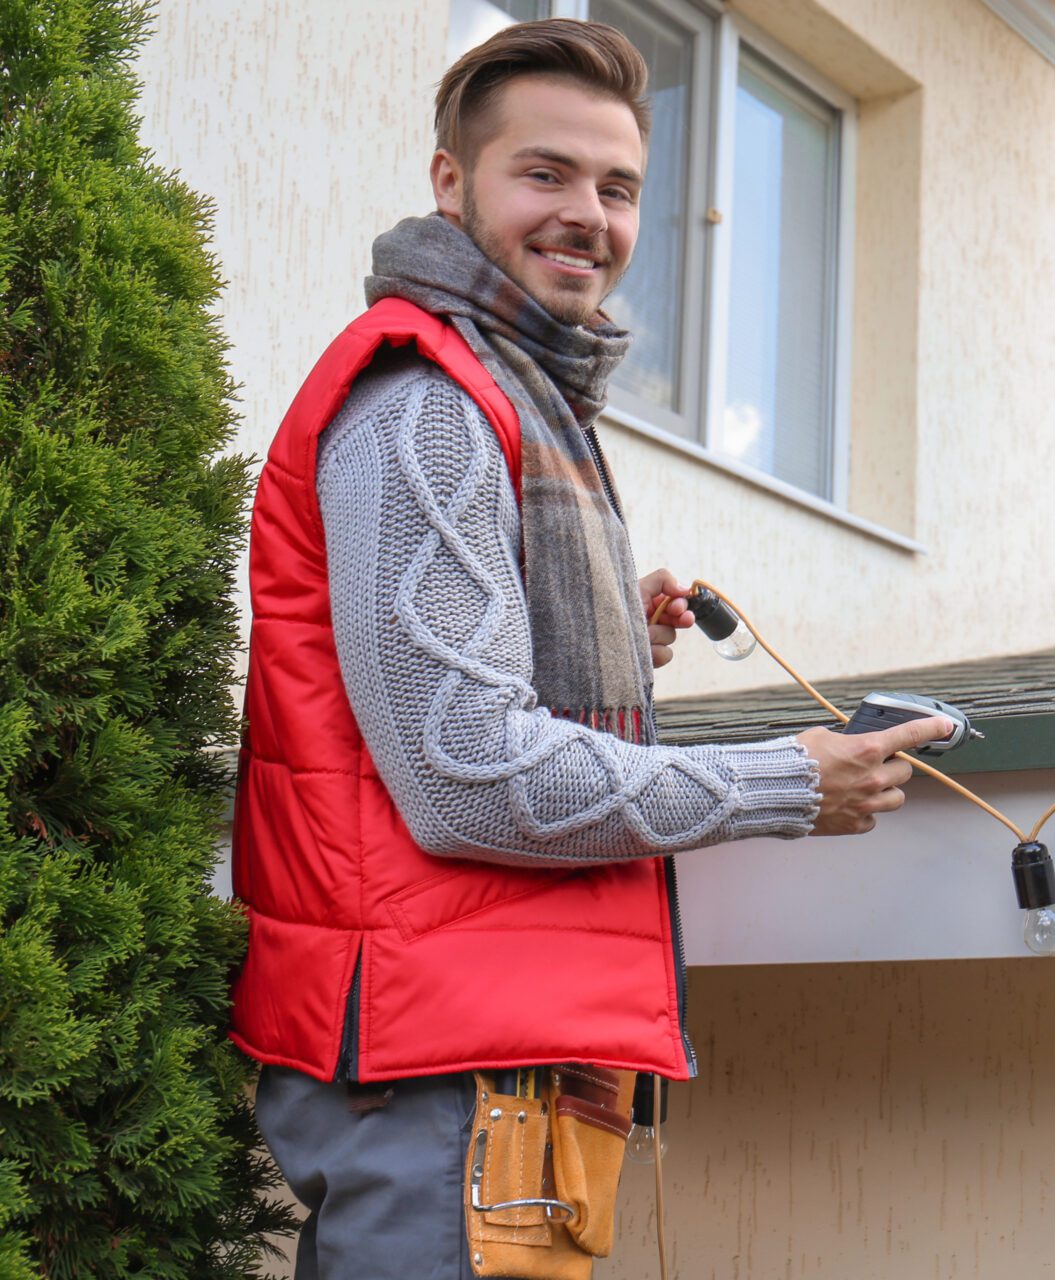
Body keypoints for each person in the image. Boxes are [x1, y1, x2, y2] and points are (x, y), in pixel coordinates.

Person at [227, 18, 948, 1279]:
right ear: (452, 184)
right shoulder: (431, 405)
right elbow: (467, 774)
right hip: (442, 1062)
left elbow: (426, 697)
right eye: (544, 173)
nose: (589, 216)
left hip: (473, 1048)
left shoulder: (510, 388)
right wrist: (786, 780)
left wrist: (606, 619)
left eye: (618, 188)